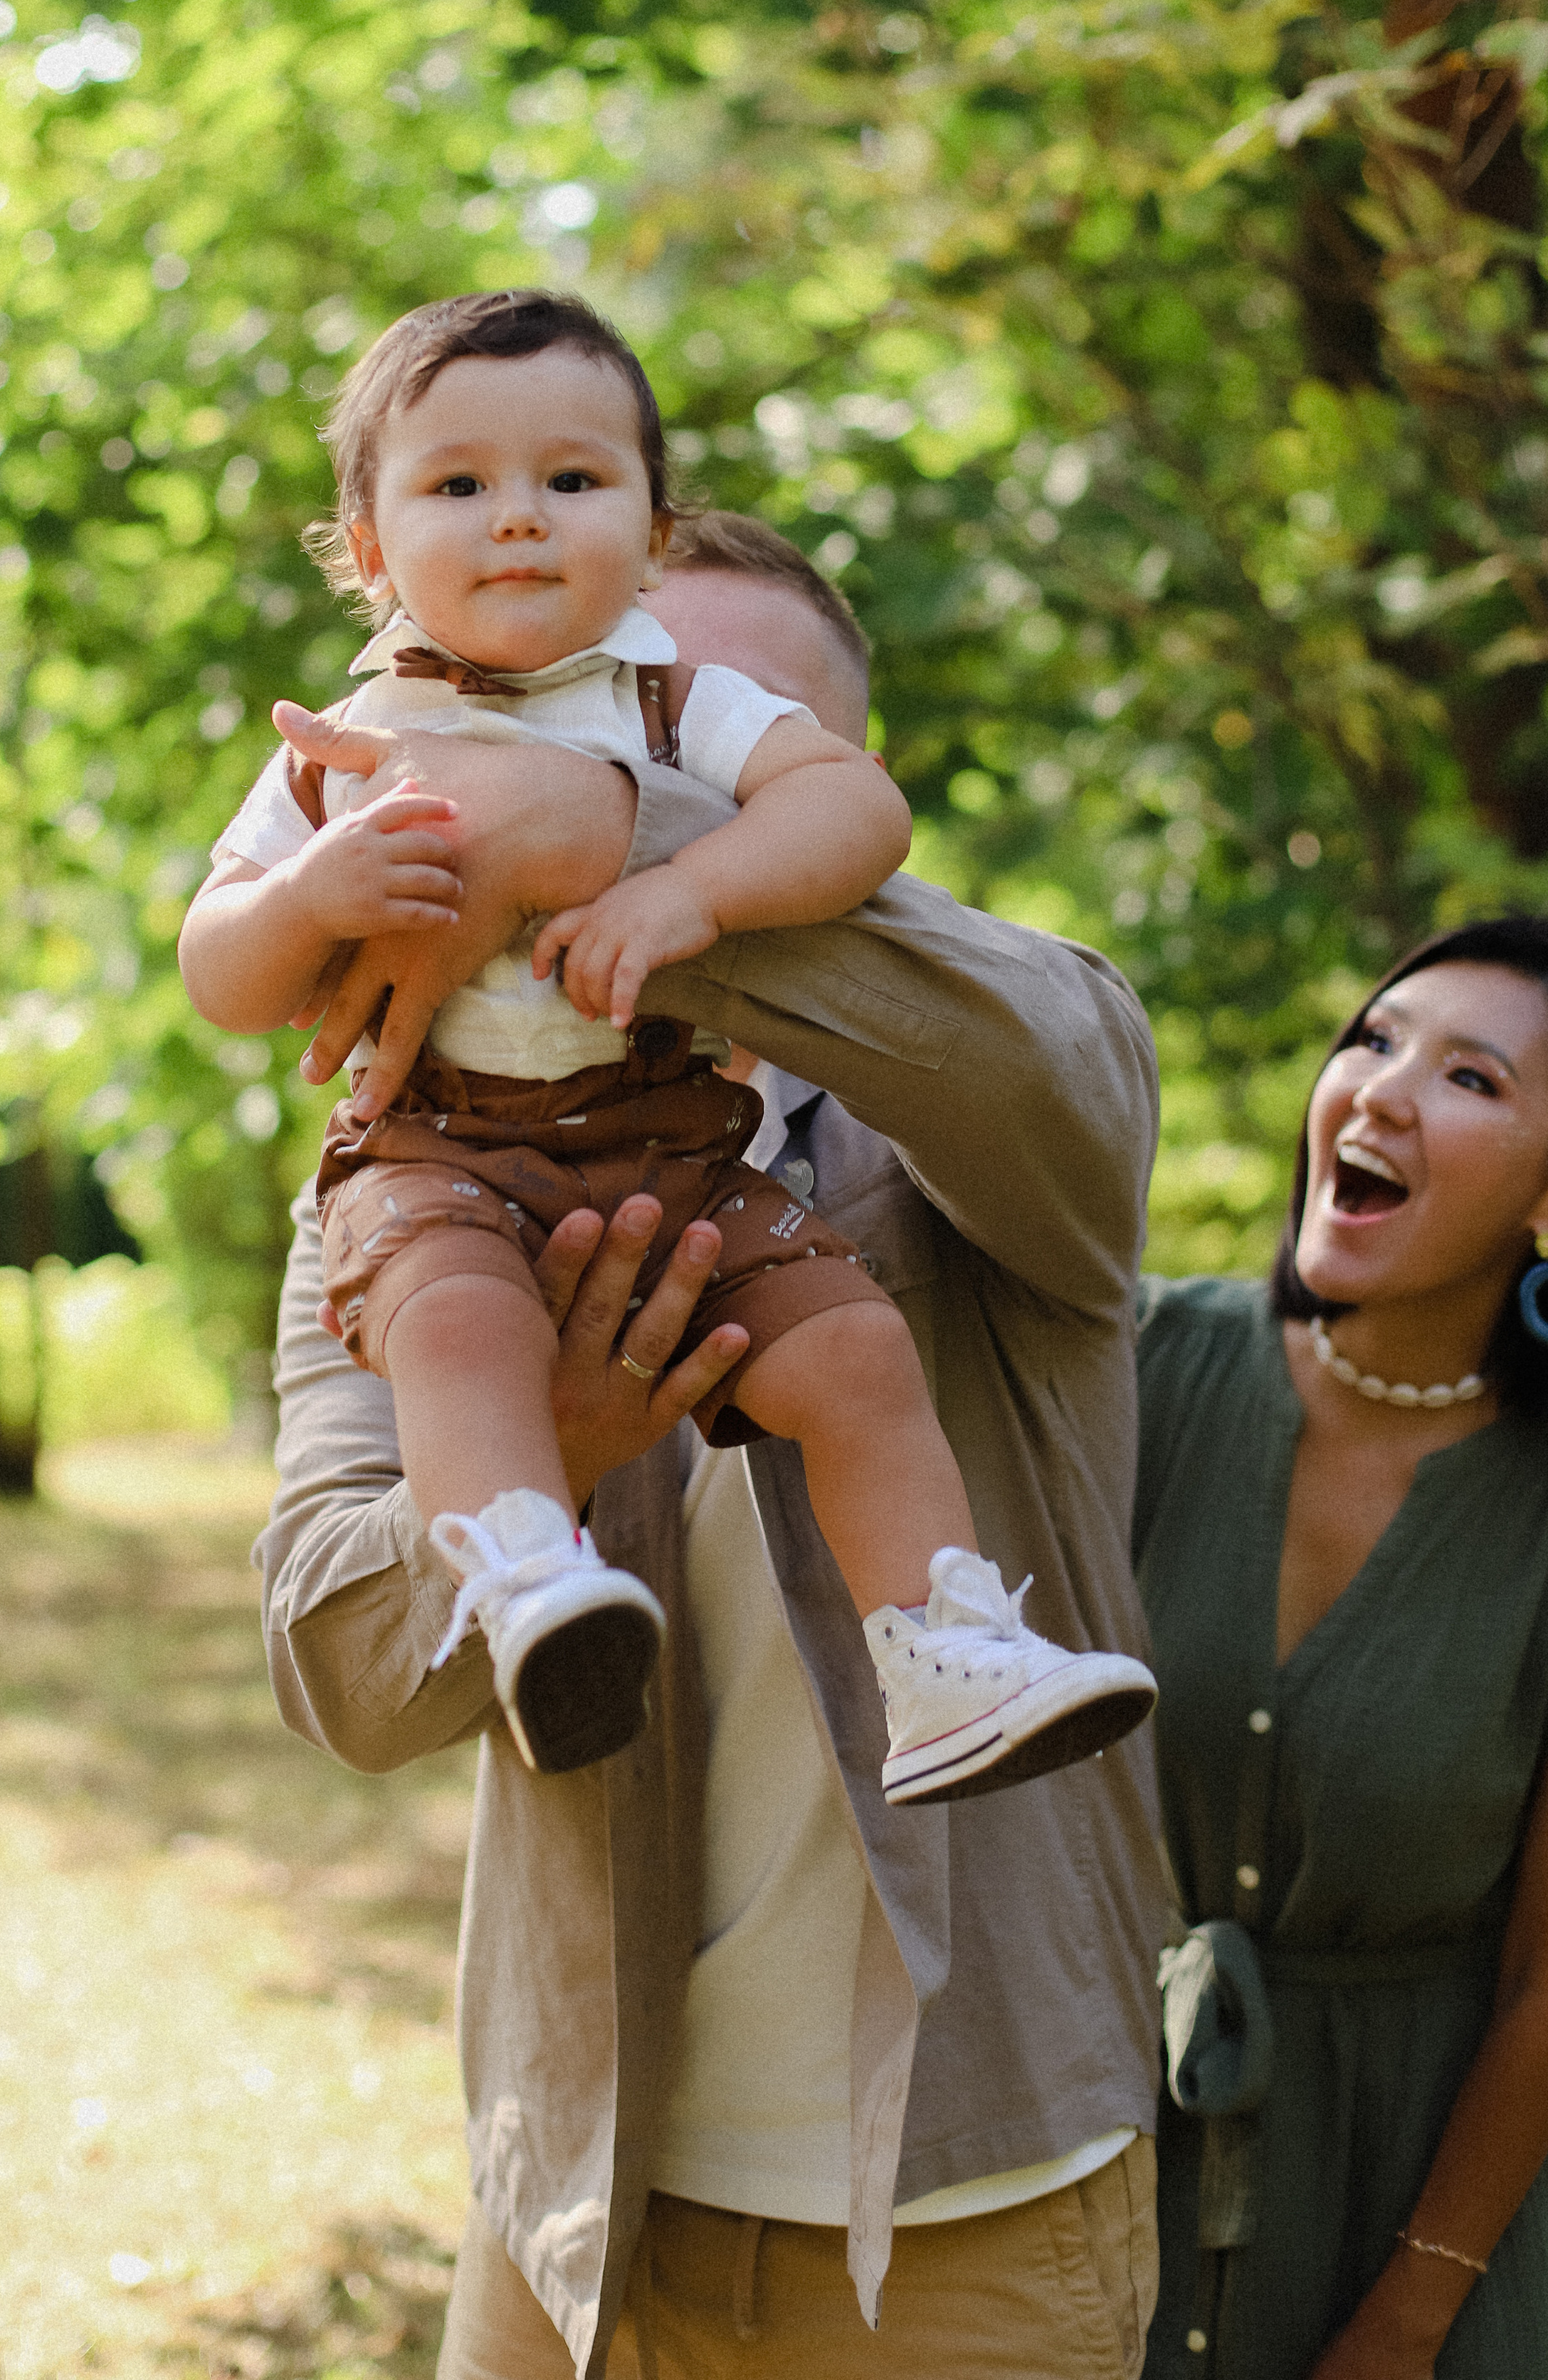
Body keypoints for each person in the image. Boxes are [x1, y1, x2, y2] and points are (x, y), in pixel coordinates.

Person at [255, 512, 1167, 2379]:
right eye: (567, 727)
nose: (619, 771)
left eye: (692, 740)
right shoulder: (406, 1198)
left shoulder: (1006, 1096)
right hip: (582, 2211)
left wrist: (612, 834)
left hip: (973, 2230)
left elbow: (1036, 1055)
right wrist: (546, 1458)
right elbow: (339, 1662)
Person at [183, 288, 1153, 1802]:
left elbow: (850, 827)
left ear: (641, 530)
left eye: (572, 484)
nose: (519, 525)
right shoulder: (356, 753)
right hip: (449, 1153)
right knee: (456, 1330)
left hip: (664, 1142)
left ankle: (949, 1651)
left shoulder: (973, 1064)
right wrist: (313, 891)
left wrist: (653, 855)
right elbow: (225, 967)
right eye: (458, 487)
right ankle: (517, 1565)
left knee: (853, 1350)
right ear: (370, 551)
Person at [1134, 916, 1548, 2379]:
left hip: (1420, 2221)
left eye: (1468, 1078)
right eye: (1372, 1040)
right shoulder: (1135, 1368)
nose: (1376, 1089)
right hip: (1090, 2192)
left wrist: (1406, 2321)